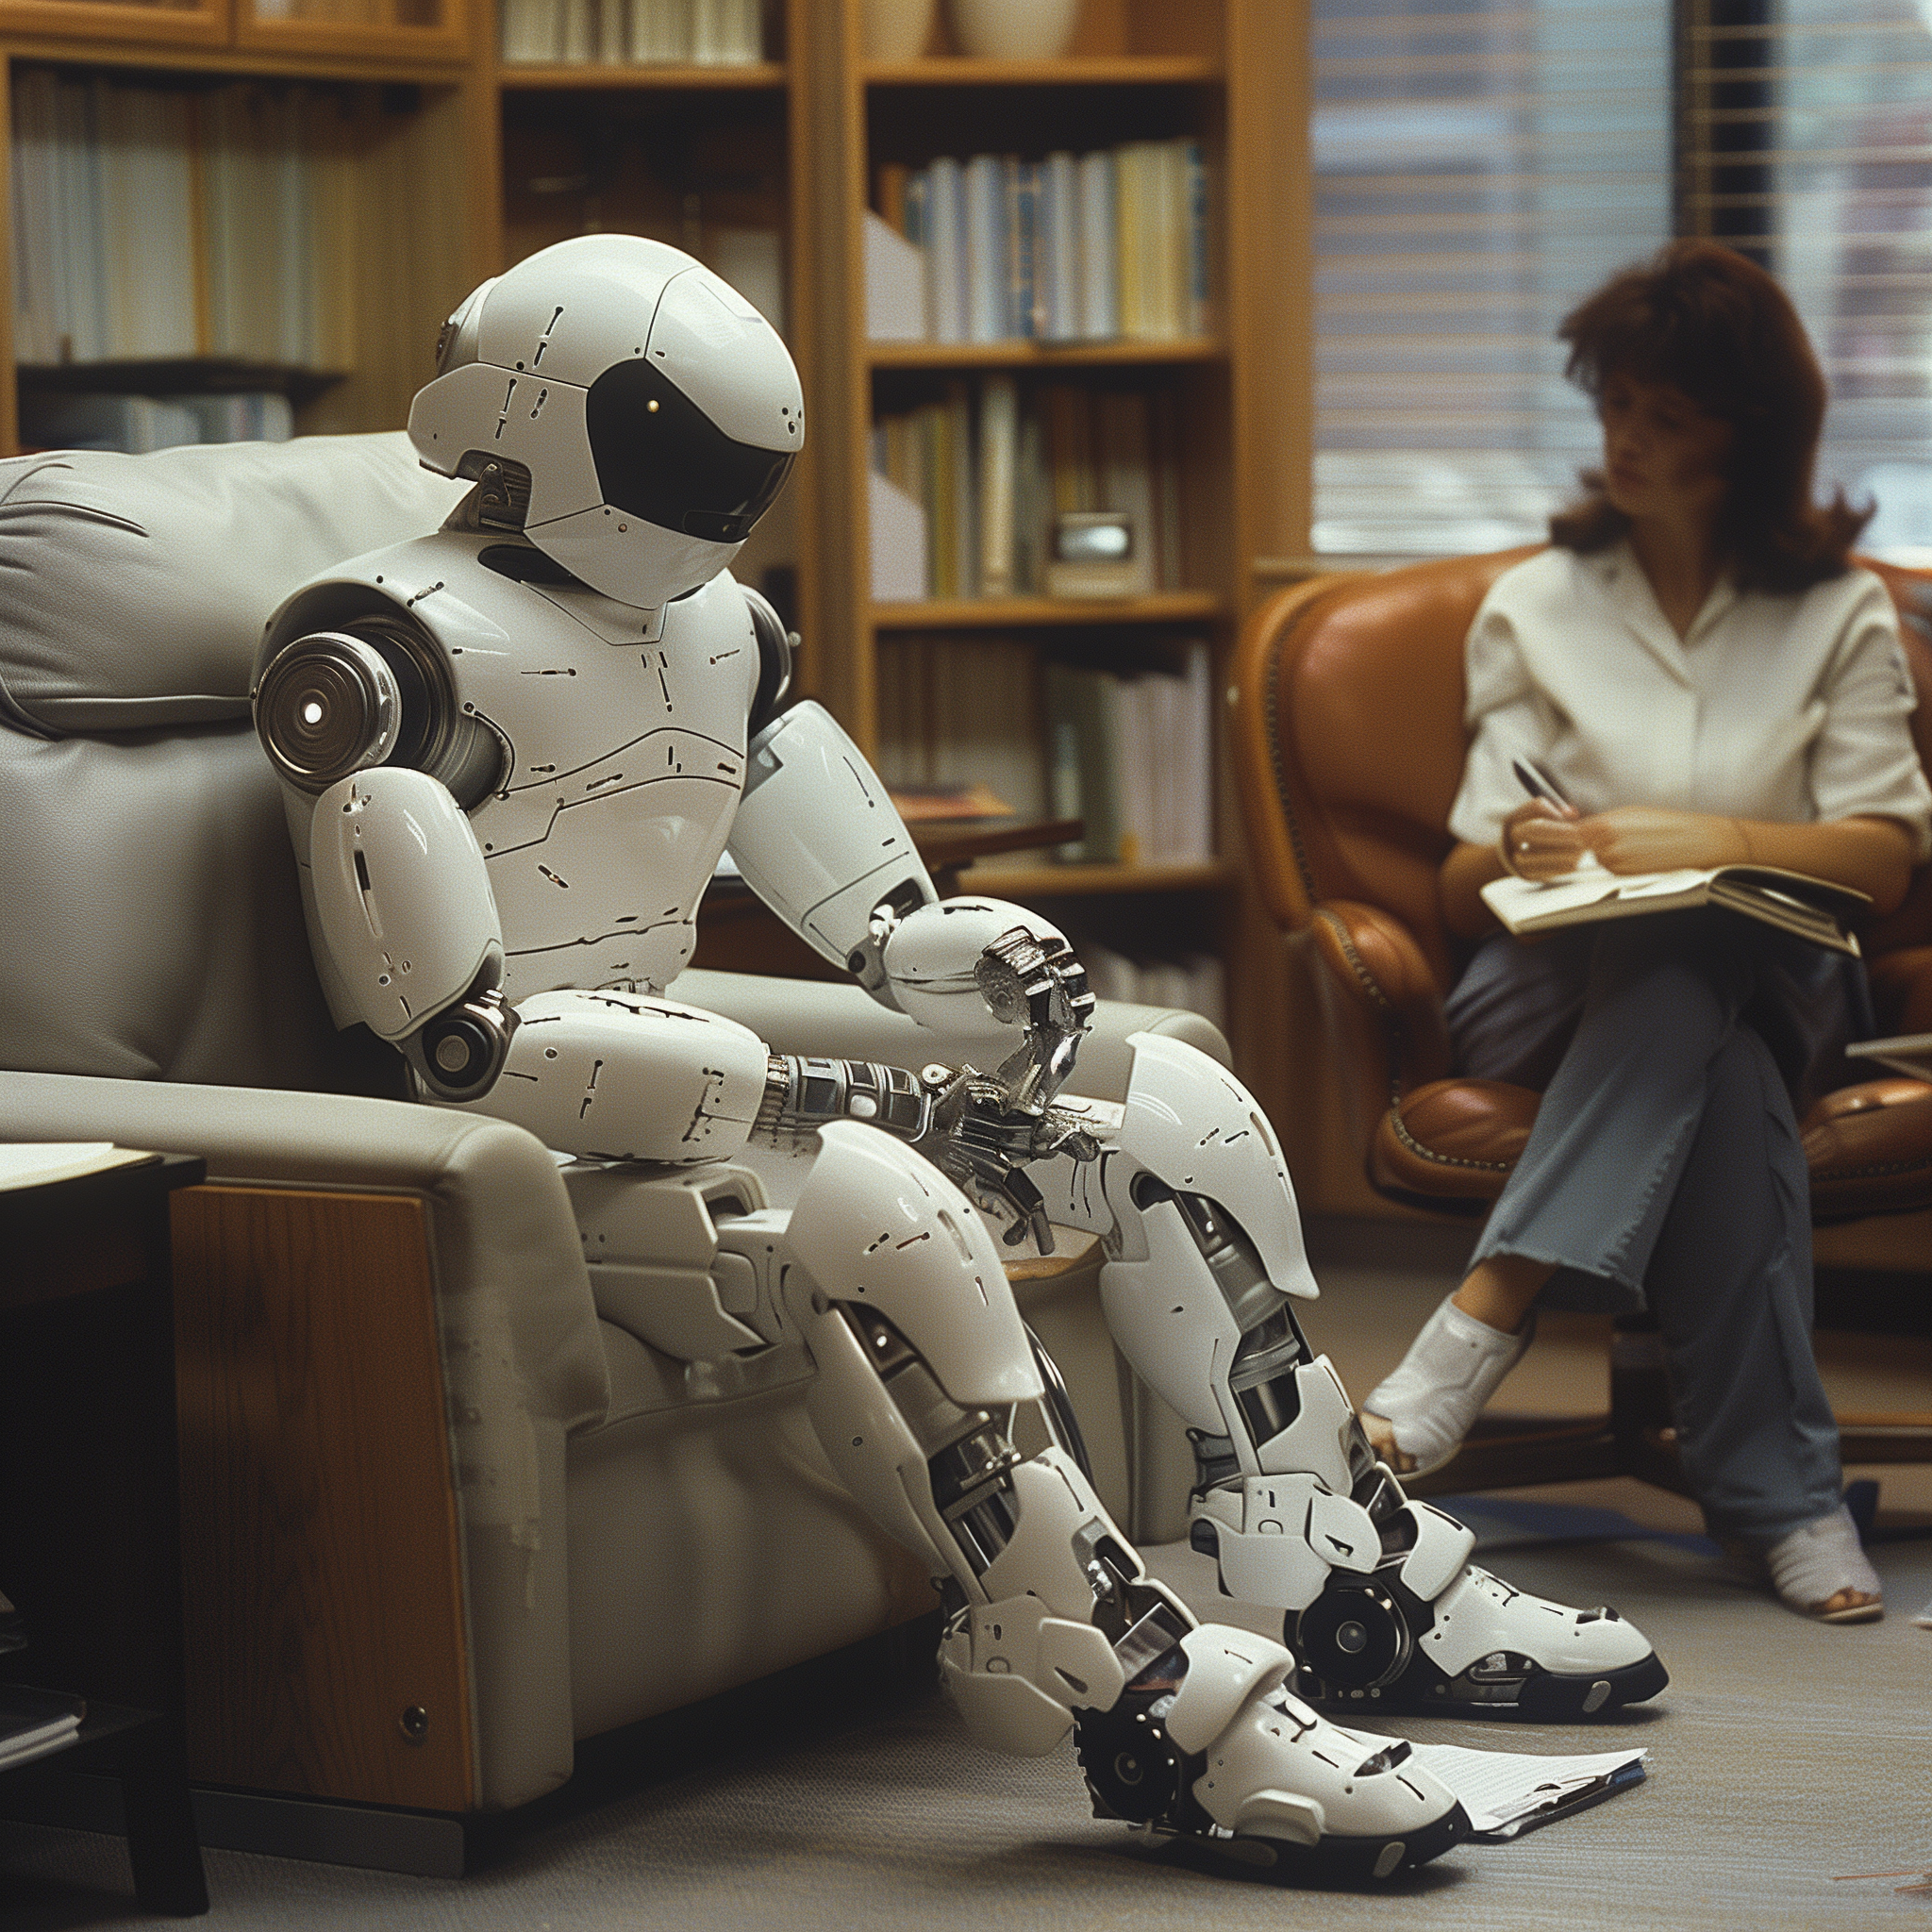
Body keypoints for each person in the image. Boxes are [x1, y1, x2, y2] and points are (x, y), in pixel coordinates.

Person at [1359, 238, 1932, 1624]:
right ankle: (1783, 1500)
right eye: (1613, 405)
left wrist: (1715, 846)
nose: (1623, 439)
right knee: (1689, 1009)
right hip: (1542, 988)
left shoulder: (1841, 611)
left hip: (1786, 987)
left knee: (1706, 973)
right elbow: (1452, 882)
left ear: (1750, 436)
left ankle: (1487, 1310)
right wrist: (1518, 845)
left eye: (1663, 418)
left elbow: (1886, 855)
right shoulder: (1534, 607)